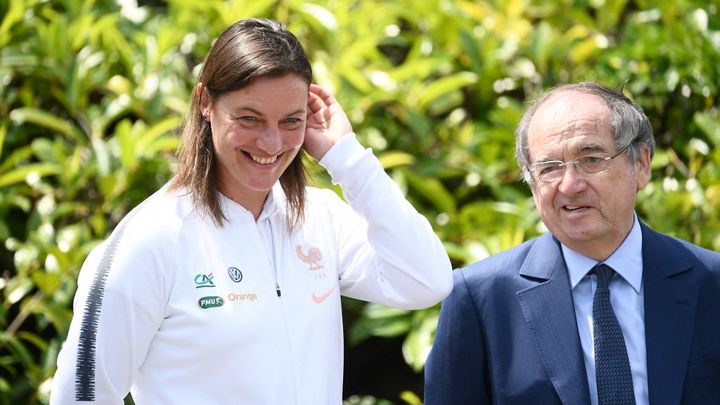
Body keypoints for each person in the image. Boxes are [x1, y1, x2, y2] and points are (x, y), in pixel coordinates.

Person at [50, 18, 452, 404]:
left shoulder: (320, 219)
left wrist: (347, 158)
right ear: (205, 101)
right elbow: (81, 395)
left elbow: (427, 279)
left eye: (291, 120)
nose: (272, 143)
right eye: (249, 118)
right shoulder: (150, 240)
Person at [424, 82, 720, 405]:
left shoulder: (710, 281)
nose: (570, 185)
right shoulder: (479, 300)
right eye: (549, 168)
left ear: (642, 165)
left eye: (591, 159)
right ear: (532, 184)